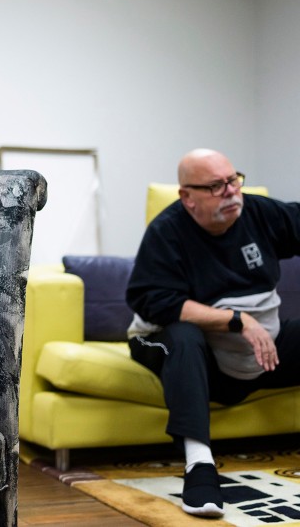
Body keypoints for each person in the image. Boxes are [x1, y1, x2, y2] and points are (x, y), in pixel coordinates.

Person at [126, 148, 300, 518]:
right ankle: (199, 465)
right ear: (187, 197)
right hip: (194, 353)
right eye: (216, 186)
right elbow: (152, 301)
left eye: (233, 180)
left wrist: (252, 325)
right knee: (183, 335)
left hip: (260, 353)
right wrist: (237, 320)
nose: (231, 192)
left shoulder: (259, 213)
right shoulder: (167, 231)